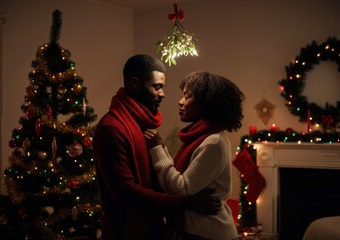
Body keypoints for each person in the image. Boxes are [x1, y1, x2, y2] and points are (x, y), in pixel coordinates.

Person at [93, 55, 221, 240]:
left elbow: (156, 180)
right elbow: (128, 194)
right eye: (157, 87)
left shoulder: (142, 125)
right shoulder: (112, 128)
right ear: (135, 84)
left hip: (153, 230)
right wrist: (189, 203)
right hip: (124, 233)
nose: (163, 94)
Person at [144, 71, 245, 240]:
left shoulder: (213, 142)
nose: (180, 102)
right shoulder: (202, 137)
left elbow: (182, 188)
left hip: (209, 234)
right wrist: (162, 149)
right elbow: (181, 178)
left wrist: (157, 150)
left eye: (187, 96)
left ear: (207, 104)